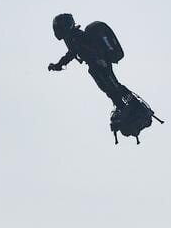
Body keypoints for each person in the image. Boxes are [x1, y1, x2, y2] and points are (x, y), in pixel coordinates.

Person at [47, 13, 161, 144]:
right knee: (109, 88)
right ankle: (122, 106)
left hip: (99, 63)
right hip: (94, 65)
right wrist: (59, 65)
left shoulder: (76, 36)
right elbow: (72, 53)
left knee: (113, 86)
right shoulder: (71, 38)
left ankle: (130, 104)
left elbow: (83, 50)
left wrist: (99, 60)